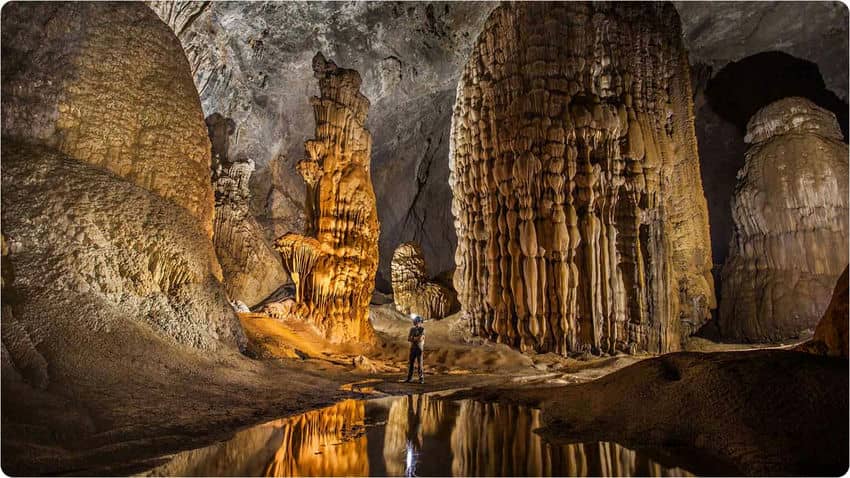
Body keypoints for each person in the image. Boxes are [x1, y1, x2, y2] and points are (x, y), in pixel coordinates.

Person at [405, 314, 425, 384]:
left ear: (420, 322)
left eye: (417, 322)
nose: (416, 323)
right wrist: (415, 338)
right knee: (411, 364)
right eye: (415, 322)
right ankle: (409, 378)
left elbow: (420, 338)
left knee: (420, 364)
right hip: (413, 348)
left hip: (419, 349)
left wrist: (413, 338)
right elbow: (408, 338)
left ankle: (421, 378)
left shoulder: (422, 329)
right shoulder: (412, 329)